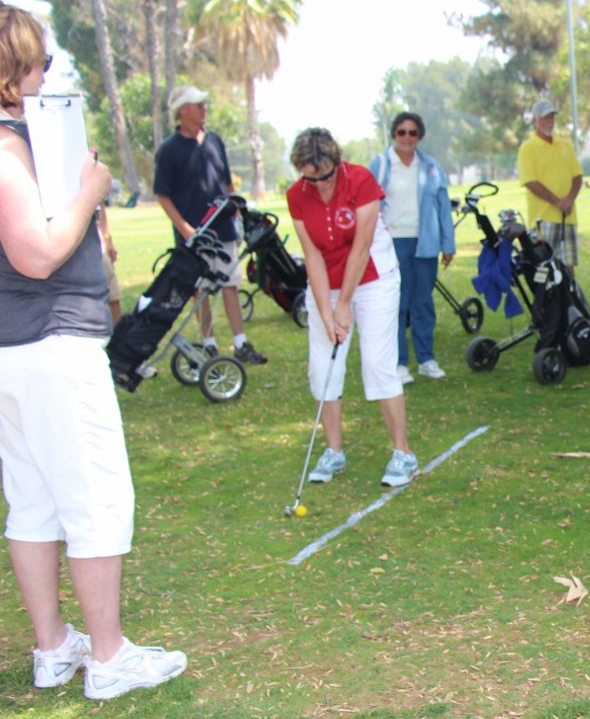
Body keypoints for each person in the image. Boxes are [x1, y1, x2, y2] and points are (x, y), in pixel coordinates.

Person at [0, 3, 187, 699]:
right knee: (96, 497)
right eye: (37, 62)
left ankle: (55, 646)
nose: (45, 74)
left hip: (18, 346)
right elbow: (37, 251)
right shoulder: (6, 148)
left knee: (36, 500)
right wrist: (90, 192)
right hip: (49, 341)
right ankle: (107, 656)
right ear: (12, 69)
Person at [286, 128, 417, 487]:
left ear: (336, 163)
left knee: (377, 364)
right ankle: (334, 451)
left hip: (374, 277)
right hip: (325, 283)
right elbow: (311, 255)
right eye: (311, 179)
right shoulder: (296, 195)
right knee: (322, 366)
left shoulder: (360, 180)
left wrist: (344, 305)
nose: (321, 185)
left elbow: (360, 249)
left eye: (326, 176)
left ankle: (403, 454)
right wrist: (328, 313)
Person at [153, 85, 268, 365]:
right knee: (201, 289)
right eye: (198, 104)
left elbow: (227, 182)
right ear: (183, 111)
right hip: (195, 236)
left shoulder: (214, 140)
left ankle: (241, 343)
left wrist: (238, 212)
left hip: (224, 229)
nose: (205, 108)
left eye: (205, 103)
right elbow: (163, 195)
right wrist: (185, 230)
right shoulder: (169, 149)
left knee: (230, 284)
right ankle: (209, 344)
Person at [367, 112, 455, 384]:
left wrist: (447, 244)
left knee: (423, 303)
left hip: (425, 243)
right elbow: (366, 207)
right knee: (397, 304)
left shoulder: (430, 167)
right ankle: (399, 363)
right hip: (391, 243)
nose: (407, 137)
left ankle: (426, 359)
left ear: (420, 136)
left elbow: (443, 207)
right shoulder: (381, 165)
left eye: (413, 132)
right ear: (394, 134)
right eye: (402, 132)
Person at [517, 100, 583, 268]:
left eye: (551, 117)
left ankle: (568, 295)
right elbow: (531, 182)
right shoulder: (528, 148)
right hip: (543, 218)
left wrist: (569, 200)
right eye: (545, 118)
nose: (549, 122)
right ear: (535, 121)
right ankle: (547, 296)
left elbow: (577, 177)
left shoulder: (565, 146)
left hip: (567, 217)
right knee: (544, 266)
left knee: (568, 266)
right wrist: (557, 201)